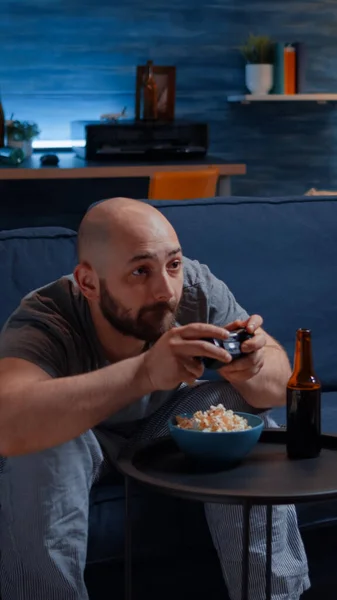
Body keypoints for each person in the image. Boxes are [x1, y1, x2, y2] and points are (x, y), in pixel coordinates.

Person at [0, 197, 309, 600]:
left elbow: (277, 383)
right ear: (88, 282)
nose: (165, 290)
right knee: (43, 442)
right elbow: (9, 423)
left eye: (173, 265)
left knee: (232, 403)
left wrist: (251, 367)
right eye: (140, 271)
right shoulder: (45, 319)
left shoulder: (194, 289)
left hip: (163, 427)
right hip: (79, 440)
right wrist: (145, 372)